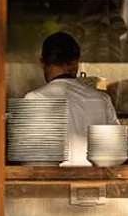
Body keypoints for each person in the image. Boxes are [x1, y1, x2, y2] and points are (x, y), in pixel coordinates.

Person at [25, 31, 117, 164]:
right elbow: (115, 148)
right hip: (96, 178)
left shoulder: (35, 98)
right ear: (76, 63)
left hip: (53, 180)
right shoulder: (102, 99)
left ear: (42, 62)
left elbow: (29, 156)